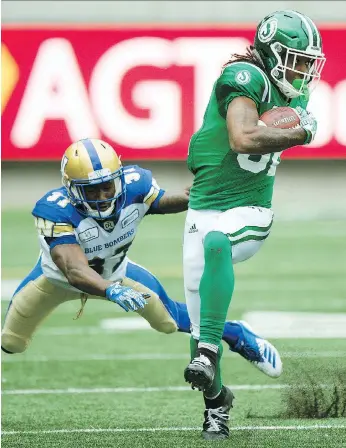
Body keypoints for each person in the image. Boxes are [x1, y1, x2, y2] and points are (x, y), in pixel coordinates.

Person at [1, 138, 281, 380]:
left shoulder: (135, 186)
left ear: (118, 178)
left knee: (169, 322)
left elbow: (160, 201)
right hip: (53, 282)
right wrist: (111, 289)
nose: (101, 196)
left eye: (107, 186)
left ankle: (236, 334)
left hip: (117, 273)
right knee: (11, 342)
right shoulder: (54, 210)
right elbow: (74, 270)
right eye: (91, 190)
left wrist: (198, 196)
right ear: (72, 189)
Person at [182, 9, 326, 440]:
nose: (303, 70)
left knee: (216, 243)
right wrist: (301, 134)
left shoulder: (291, 95)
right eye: (297, 59)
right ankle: (217, 403)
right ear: (273, 52)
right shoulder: (246, 77)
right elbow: (242, 137)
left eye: (308, 62)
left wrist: (296, 127)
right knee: (197, 324)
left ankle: (211, 348)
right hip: (204, 208)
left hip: (251, 212)